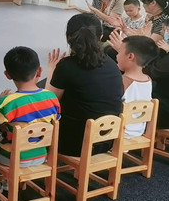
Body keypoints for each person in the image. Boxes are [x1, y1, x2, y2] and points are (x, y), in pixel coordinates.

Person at [37, 14, 123, 156]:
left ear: (67, 37)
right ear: (101, 37)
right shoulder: (112, 64)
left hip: (75, 143)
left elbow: (48, 104)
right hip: (107, 140)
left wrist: (52, 70)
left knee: (33, 102)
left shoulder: (67, 66)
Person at [0, 46, 61, 167]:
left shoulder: (7, 102)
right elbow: (56, 121)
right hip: (41, 156)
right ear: (39, 71)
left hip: (12, 158)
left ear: (7, 75)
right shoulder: (51, 98)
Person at [110, 35, 159, 138]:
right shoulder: (148, 80)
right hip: (138, 132)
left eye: (119, 52)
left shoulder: (123, 81)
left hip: (119, 134)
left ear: (130, 56)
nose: (117, 56)